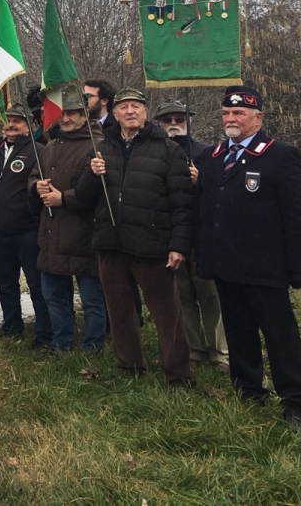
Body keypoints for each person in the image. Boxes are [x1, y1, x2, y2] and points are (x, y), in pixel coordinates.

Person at [193, 86, 301, 428]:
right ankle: (248, 388)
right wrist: (205, 257)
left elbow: (298, 216)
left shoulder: (279, 155)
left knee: (280, 338)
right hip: (226, 265)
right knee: (238, 332)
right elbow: (204, 210)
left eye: (239, 114)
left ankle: (298, 402)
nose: (230, 119)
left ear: (258, 118)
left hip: (265, 267)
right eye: (226, 114)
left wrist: (298, 266)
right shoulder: (212, 156)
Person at [76, 88, 192, 387]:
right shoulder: (101, 148)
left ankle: (177, 374)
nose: (130, 112)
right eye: (124, 107)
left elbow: (182, 203)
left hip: (151, 245)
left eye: (136, 107)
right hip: (111, 244)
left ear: (145, 112)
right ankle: (129, 365)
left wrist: (178, 245)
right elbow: (83, 199)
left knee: (167, 315)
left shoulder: (168, 150)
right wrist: (92, 173)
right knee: (119, 310)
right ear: (114, 114)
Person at [29, 88, 107, 353]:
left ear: (84, 114)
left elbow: (97, 190)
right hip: (51, 234)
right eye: (63, 113)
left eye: (72, 113)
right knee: (53, 296)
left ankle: (92, 347)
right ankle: (61, 343)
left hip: (84, 234)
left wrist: (64, 198)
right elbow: (32, 177)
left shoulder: (98, 145)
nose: (66, 118)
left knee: (92, 300)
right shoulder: (51, 147)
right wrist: (37, 187)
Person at [154, 99, 228, 371]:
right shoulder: (156, 152)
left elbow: (222, 194)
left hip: (201, 236)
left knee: (210, 296)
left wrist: (202, 183)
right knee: (182, 296)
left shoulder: (208, 153)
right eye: (167, 120)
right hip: (170, 235)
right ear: (159, 124)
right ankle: (194, 350)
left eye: (178, 118)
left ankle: (220, 352)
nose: (173, 124)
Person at [0, 104, 50, 347]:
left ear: (28, 126)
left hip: (27, 229)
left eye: (18, 121)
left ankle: (43, 333)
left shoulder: (39, 151)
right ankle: (12, 327)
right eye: (9, 120)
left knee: (36, 284)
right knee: (5, 283)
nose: (11, 125)